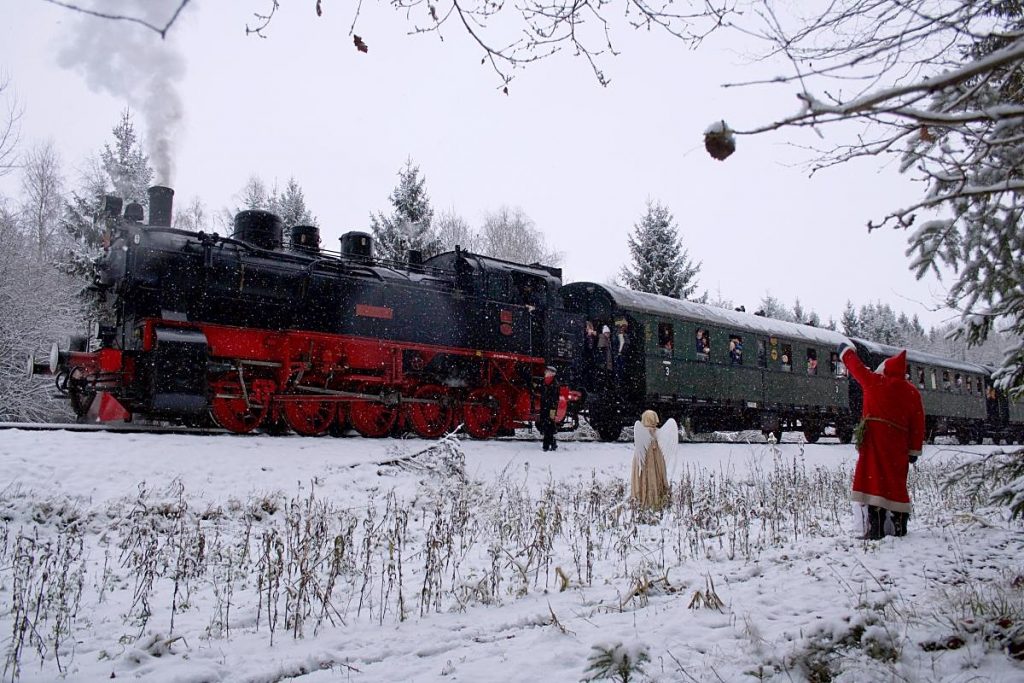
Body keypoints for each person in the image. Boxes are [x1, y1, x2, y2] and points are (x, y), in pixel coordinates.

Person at [838, 342, 925, 539]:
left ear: (884, 370)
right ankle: (899, 525)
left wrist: (845, 352)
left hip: (874, 443)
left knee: (874, 482)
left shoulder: (875, 381)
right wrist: (914, 450)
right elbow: (918, 424)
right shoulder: (912, 392)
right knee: (896, 483)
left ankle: (875, 528)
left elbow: (856, 367)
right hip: (898, 445)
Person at [631, 410, 677, 510]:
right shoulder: (657, 431)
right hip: (657, 456)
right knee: (657, 473)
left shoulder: (642, 430)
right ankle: (657, 496)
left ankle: (643, 497)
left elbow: (638, 445)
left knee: (643, 475)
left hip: (644, 454)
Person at [539, 365, 559, 451]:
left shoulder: (555, 384)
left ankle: (546, 446)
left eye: (547, 372)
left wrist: (552, 408)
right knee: (546, 425)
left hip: (551, 408)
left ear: (552, 373)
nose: (545, 373)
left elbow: (554, 398)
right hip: (544, 406)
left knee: (549, 424)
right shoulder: (544, 382)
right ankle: (553, 443)